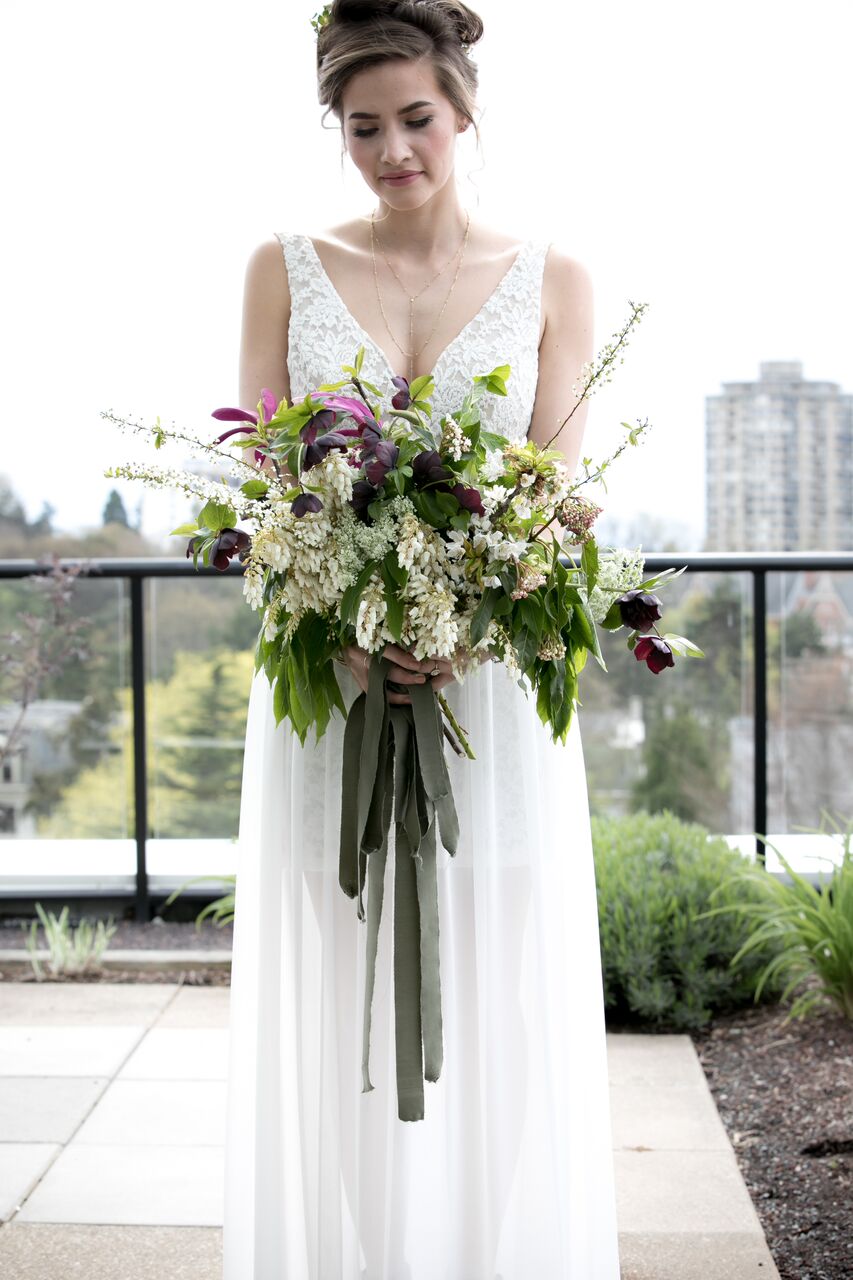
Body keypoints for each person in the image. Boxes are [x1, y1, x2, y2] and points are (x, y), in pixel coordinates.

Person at [223, 2, 621, 1276]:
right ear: (334, 131)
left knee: (496, 1011)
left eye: (415, 121)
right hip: (328, 705)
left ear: (462, 110)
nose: (393, 150)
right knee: (339, 1004)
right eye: (362, 128)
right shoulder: (281, 265)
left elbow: (555, 504)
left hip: (486, 704)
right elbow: (261, 488)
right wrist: (347, 626)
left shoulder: (551, 277)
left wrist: (472, 618)